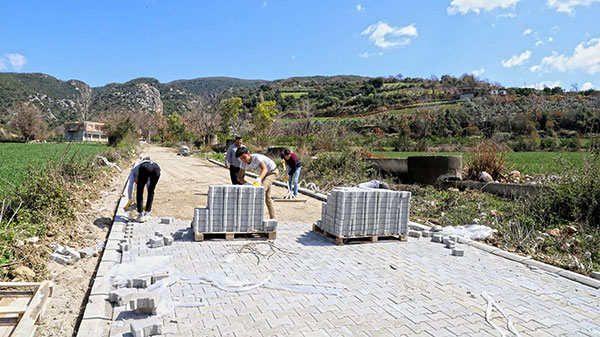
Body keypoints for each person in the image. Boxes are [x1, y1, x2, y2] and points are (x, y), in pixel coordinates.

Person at [235, 147, 279, 219]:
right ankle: (273, 219)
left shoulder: (256, 158)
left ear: (248, 154)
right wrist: (248, 184)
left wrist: (259, 179)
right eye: (241, 158)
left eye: (244, 157)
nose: (243, 160)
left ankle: (255, 218)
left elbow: (265, 169)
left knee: (259, 192)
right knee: (267, 198)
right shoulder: (243, 163)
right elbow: (239, 178)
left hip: (272, 172)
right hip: (265, 174)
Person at [127, 156, 161, 222]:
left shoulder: (134, 170)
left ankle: (140, 215)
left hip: (145, 169)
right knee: (151, 192)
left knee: (139, 192)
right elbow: (149, 188)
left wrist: (129, 199)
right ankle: (147, 214)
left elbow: (130, 185)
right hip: (157, 169)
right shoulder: (151, 164)